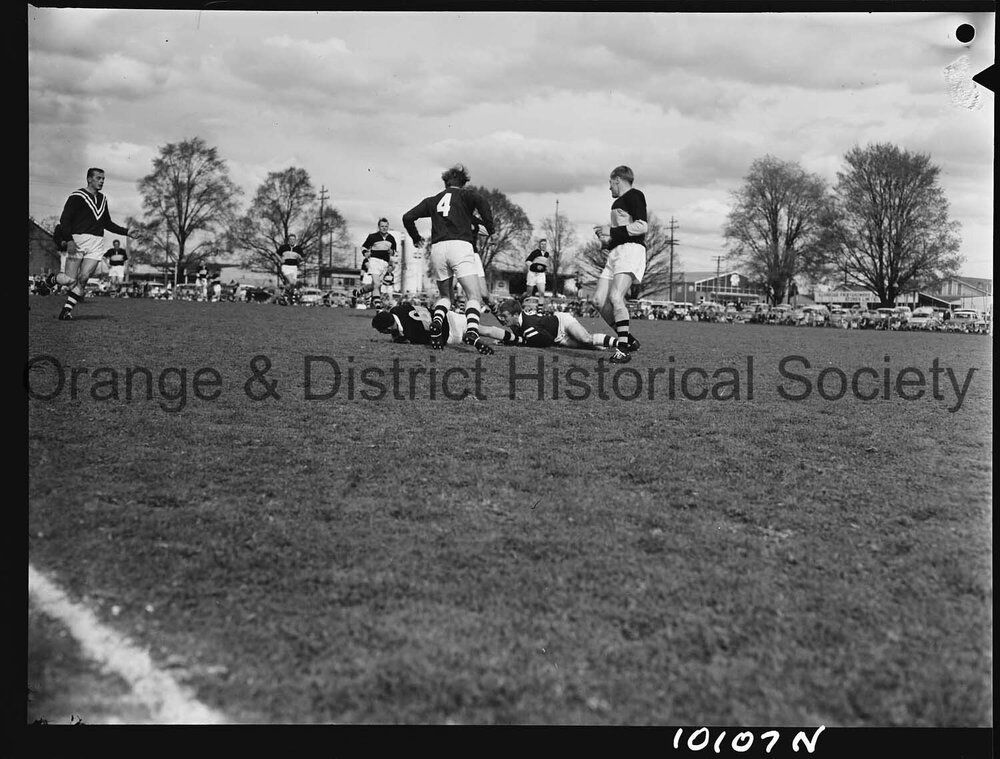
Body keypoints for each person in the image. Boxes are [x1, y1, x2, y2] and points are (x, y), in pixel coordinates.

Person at [402, 163, 496, 355]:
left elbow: (407, 217)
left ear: (445, 182)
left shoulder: (433, 200)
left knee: (445, 297)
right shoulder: (466, 195)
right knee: (474, 296)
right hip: (460, 246)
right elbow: (482, 202)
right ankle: (472, 331)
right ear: (463, 182)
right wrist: (490, 227)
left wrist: (416, 237)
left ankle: (437, 321)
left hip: (437, 248)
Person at [47, 168, 138, 320]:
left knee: (84, 278)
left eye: (103, 179)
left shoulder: (103, 199)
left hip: (96, 243)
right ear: (89, 179)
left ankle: (67, 310)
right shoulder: (77, 196)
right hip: (78, 241)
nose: (102, 181)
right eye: (98, 178)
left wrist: (127, 232)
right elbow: (64, 220)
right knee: (70, 279)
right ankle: (52, 279)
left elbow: (107, 223)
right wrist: (69, 240)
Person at [591, 165, 647, 364]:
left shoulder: (635, 195)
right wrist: (606, 241)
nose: (609, 187)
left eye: (610, 183)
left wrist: (611, 231)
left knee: (616, 297)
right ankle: (628, 339)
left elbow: (642, 226)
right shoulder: (617, 203)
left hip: (631, 251)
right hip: (616, 253)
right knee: (598, 301)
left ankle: (623, 349)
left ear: (617, 179)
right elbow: (621, 233)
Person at [493, 298, 617, 350]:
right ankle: (606, 346)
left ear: (515, 314)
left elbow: (546, 341)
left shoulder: (528, 325)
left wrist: (511, 341)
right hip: (557, 336)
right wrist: (506, 340)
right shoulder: (517, 322)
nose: (503, 319)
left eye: (505, 316)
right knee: (586, 346)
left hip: (562, 322)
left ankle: (621, 344)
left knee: (585, 339)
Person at [372, 301, 507, 346]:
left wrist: (399, 338)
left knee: (481, 332)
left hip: (449, 334)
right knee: (486, 330)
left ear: (388, 328)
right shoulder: (397, 309)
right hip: (447, 316)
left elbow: (427, 340)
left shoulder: (409, 334)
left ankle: (513, 339)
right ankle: (514, 339)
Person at [353, 218, 397, 310]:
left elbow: (394, 251)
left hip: (384, 264)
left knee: (374, 285)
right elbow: (364, 247)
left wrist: (392, 252)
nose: (384, 228)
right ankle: (378, 307)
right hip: (374, 261)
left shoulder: (391, 238)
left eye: (386, 226)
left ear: (388, 227)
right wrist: (365, 253)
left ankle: (358, 292)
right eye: (382, 226)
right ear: (379, 227)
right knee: (377, 284)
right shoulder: (373, 236)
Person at [277, 234, 303, 303]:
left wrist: (300, 258)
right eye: (290, 239)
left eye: (293, 239)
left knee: (292, 284)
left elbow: (302, 258)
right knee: (291, 282)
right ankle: (284, 295)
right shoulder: (283, 247)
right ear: (288, 240)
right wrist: (280, 259)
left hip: (294, 267)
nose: (292, 241)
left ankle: (283, 296)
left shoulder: (298, 248)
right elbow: (276, 254)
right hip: (286, 267)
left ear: (295, 240)